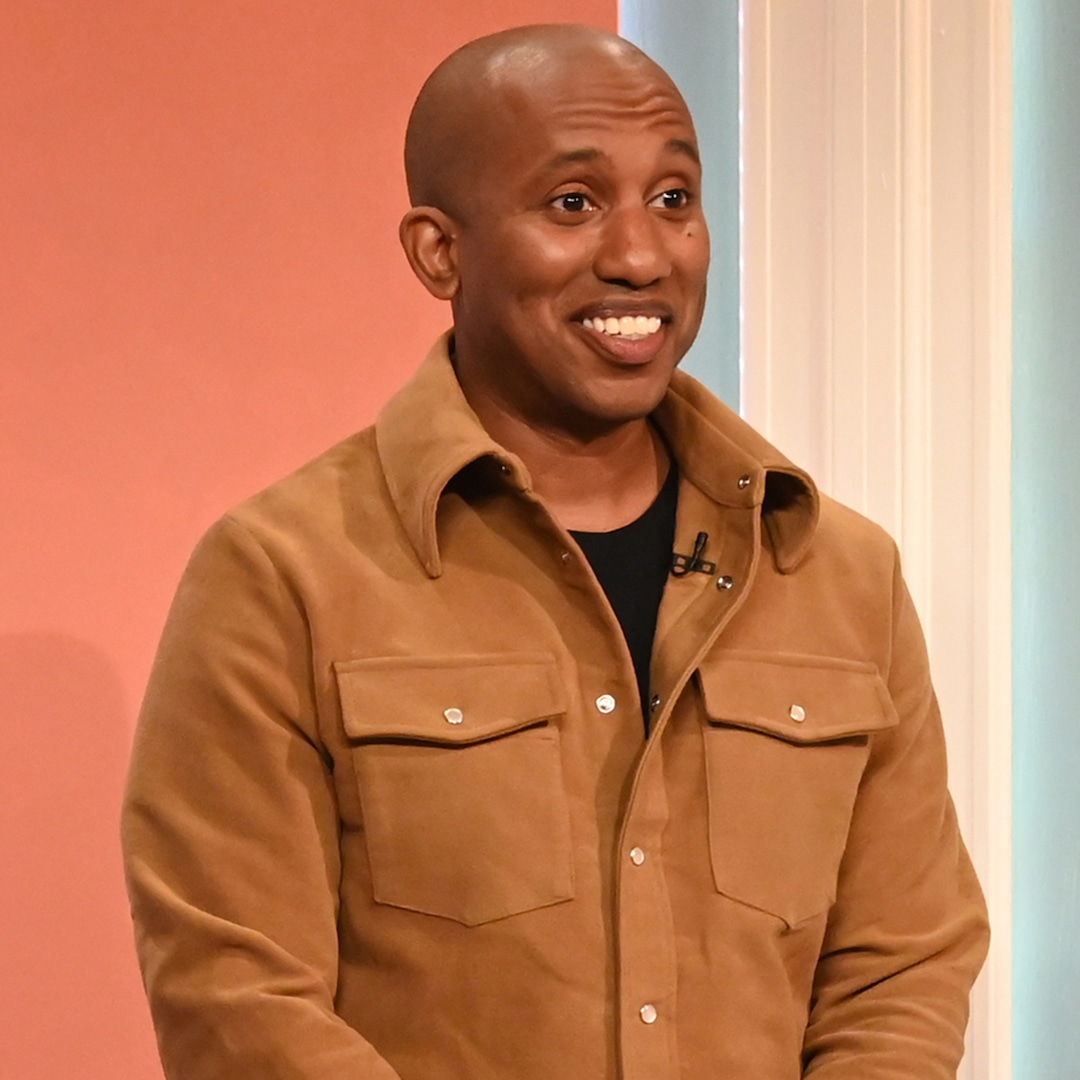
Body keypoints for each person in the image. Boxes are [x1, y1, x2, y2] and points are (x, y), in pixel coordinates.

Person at [122, 23, 989, 1080]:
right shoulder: (282, 575)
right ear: (440, 251)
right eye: (573, 204)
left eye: (673, 198)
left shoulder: (842, 574)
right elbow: (236, 996)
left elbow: (902, 966)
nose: (640, 256)